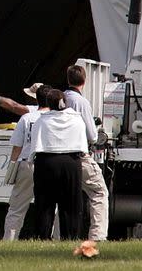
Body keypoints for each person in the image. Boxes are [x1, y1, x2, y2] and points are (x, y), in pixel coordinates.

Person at [29, 89, 88, 240]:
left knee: (44, 203)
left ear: (48, 104)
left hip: (47, 161)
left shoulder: (42, 120)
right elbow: (83, 142)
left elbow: (35, 143)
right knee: (71, 203)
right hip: (71, 161)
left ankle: (42, 236)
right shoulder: (76, 119)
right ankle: (70, 237)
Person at [64, 64, 109, 241]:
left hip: (60, 154)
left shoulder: (61, 98)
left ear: (68, 79)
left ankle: (61, 236)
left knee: (65, 198)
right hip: (79, 155)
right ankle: (97, 236)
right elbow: (92, 136)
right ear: (84, 80)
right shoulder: (80, 102)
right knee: (99, 193)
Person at [2, 84, 51, 241]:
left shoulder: (26, 118)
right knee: (52, 207)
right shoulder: (56, 117)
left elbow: (17, 147)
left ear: (36, 98)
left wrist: (12, 168)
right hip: (50, 164)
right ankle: (53, 240)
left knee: (17, 208)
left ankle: (9, 241)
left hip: (27, 163)